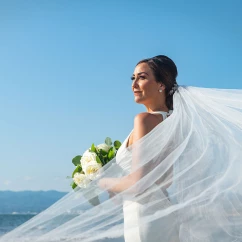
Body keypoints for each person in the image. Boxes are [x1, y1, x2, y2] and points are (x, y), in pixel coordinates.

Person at [1, 55, 242, 242]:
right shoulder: (173, 123)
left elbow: (138, 183)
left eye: (142, 77)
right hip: (162, 212)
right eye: (133, 78)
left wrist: (103, 181)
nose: (134, 84)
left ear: (161, 84)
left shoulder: (144, 120)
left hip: (145, 215)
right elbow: (164, 182)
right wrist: (119, 187)